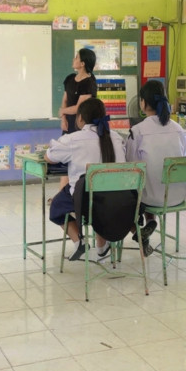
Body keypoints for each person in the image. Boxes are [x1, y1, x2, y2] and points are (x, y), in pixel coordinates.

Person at [45, 98, 127, 261]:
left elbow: (50, 157)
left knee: (57, 206)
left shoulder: (73, 139)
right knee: (97, 199)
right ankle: (102, 246)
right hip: (118, 200)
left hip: (86, 201)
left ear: (80, 118)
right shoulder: (117, 137)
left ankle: (79, 242)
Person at [126, 81, 186, 255]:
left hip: (151, 198)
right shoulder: (178, 128)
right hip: (178, 196)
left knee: (132, 188)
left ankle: (141, 230)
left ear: (143, 103)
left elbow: (131, 165)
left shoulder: (138, 130)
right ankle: (149, 223)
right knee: (153, 178)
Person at [53, 48, 98, 195]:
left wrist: (63, 111)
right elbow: (65, 100)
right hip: (68, 123)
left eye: (76, 57)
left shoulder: (89, 82)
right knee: (66, 160)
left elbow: (80, 108)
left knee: (78, 161)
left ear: (83, 63)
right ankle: (61, 194)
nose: (74, 59)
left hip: (82, 125)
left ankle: (76, 193)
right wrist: (63, 118)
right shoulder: (70, 79)